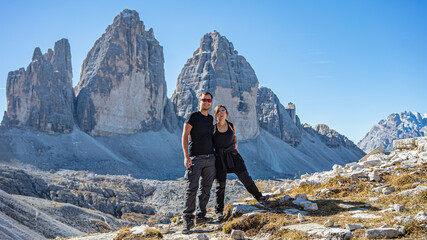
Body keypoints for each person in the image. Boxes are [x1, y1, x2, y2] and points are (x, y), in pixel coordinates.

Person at [213, 105, 268, 221]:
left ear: (226, 113)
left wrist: (235, 146)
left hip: (233, 155)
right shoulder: (213, 128)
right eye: (219, 111)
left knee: (244, 176)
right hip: (220, 158)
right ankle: (219, 212)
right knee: (220, 185)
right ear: (216, 115)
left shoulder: (231, 126)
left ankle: (259, 196)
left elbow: (234, 137)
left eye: (223, 110)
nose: (221, 113)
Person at [181, 91, 216, 234]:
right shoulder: (193, 116)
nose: (206, 102)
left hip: (210, 158)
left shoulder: (210, 119)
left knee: (206, 188)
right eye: (204, 100)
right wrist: (186, 156)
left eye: (209, 100)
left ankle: (201, 216)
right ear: (199, 101)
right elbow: (184, 136)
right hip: (195, 158)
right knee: (192, 189)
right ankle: (188, 219)